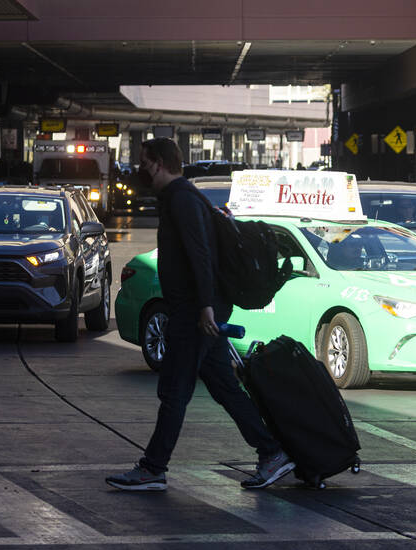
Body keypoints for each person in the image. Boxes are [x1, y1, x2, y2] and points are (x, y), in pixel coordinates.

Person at [106, 137, 293, 492]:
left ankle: (153, 468)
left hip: (195, 314)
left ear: (159, 163)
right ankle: (272, 453)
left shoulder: (182, 199)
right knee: (224, 387)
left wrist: (205, 306)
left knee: (175, 391)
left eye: (144, 163)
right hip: (198, 310)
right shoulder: (180, 198)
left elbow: (201, 254)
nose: (140, 170)